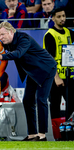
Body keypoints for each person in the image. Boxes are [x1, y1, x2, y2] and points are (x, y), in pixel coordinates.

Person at [0, 22, 57, 141]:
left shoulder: (24, 38)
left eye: (3, 34)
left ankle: (42, 135)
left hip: (46, 68)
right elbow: (1, 50)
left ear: (11, 32)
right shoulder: (7, 43)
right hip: (32, 72)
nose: (1, 38)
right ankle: (32, 134)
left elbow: (18, 54)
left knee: (41, 100)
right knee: (27, 100)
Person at [43, 8, 74, 139]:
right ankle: (58, 136)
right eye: (59, 16)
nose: (62, 18)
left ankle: (69, 133)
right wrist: (56, 78)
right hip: (55, 78)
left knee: (71, 105)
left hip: (69, 76)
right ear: (53, 18)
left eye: (64, 16)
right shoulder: (50, 35)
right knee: (55, 107)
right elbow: (49, 59)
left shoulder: (69, 32)